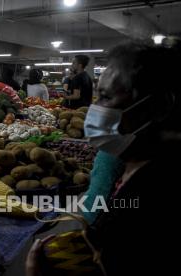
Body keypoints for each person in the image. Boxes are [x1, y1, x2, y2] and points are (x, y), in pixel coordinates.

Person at [26, 41, 181, 275]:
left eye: (105, 97)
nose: (94, 109)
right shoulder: (131, 166)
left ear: (158, 106)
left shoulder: (152, 199)